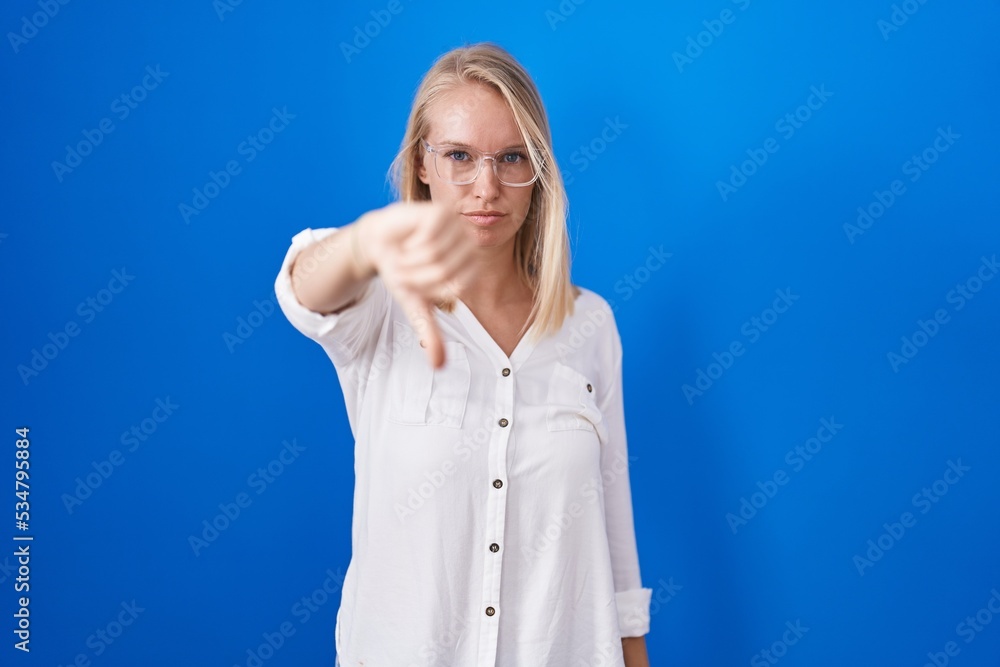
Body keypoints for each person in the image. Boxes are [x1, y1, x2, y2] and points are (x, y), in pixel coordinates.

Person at [273, 42, 652, 667]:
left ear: (539, 170)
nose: (488, 186)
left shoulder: (590, 324)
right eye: (458, 156)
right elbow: (303, 289)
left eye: (511, 158)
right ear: (422, 163)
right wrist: (365, 240)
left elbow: (613, 529)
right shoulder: (378, 305)